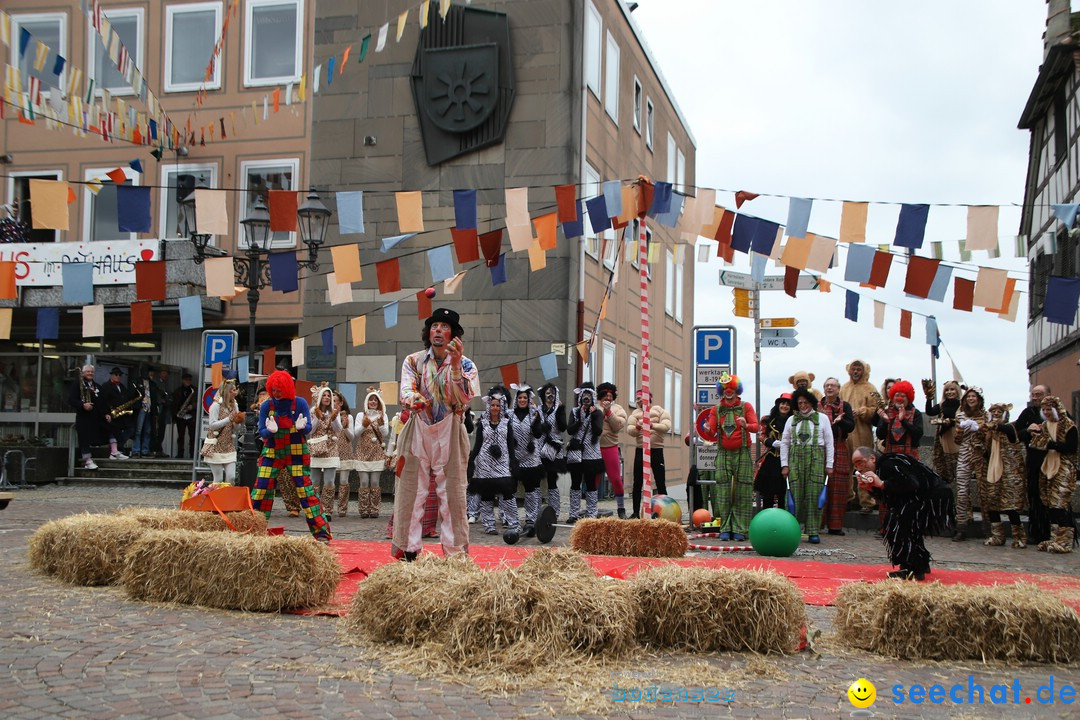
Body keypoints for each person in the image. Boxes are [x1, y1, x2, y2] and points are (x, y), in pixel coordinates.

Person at [393, 307, 478, 560]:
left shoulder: (467, 364)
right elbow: (405, 391)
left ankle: (454, 556)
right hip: (418, 425)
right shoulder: (413, 360)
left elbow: (464, 397)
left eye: (444, 326)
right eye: (434, 326)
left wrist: (454, 367)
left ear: (454, 334)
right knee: (411, 491)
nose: (438, 330)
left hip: (450, 427)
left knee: (452, 493)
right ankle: (408, 552)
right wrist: (415, 399)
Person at [251, 370, 331, 541]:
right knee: (261, 489)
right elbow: (262, 431)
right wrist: (269, 431)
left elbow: (309, 428)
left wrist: (304, 427)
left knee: (305, 491)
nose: (276, 394)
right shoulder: (267, 405)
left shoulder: (299, 403)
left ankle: (321, 532)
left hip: (296, 453)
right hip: (272, 451)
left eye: (279, 390)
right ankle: (254, 529)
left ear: (286, 389)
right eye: (273, 390)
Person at [853, 447, 942, 580]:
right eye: (855, 465)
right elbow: (888, 497)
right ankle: (921, 564)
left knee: (898, 525)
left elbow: (911, 484)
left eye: (861, 462)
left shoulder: (889, 463)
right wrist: (870, 488)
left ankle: (912, 569)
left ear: (872, 458)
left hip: (929, 497)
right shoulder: (880, 468)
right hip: (920, 498)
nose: (859, 468)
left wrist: (882, 484)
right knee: (901, 521)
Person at [699, 373, 759, 541]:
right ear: (722, 390)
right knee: (723, 492)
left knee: (743, 490)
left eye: (732, 388)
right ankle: (725, 527)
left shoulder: (746, 407)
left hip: (743, 453)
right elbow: (711, 432)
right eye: (726, 389)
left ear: (737, 390)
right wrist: (706, 429)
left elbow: (756, 427)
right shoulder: (716, 409)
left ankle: (740, 528)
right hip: (723, 454)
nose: (729, 391)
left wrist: (746, 425)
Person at [780, 388, 834, 544]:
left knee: (814, 495)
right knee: (794, 495)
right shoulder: (791, 420)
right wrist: (784, 465)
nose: (803, 405)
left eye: (806, 402)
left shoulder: (822, 419)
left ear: (811, 402)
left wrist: (829, 464)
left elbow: (830, 443)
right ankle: (792, 530)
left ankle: (812, 531)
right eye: (800, 402)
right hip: (795, 459)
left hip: (816, 458)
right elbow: (785, 443)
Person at [1031, 395, 1077, 553]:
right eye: (1043, 410)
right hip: (1048, 467)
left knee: (1059, 504)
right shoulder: (1044, 425)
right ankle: (1055, 538)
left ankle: (1065, 541)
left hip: (1064, 467)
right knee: (1050, 505)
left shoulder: (1068, 425)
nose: (1046, 412)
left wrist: (1050, 444)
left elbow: (1071, 447)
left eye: (1049, 409)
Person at [469, 386, 517, 536]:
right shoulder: (482, 423)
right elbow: (478, 443)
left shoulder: (506, 423)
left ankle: (513, 523)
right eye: (492, 405)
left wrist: (513, 460)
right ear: (488, 406)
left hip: (502, 462)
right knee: (486, 494)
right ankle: (489, 524)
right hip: (485, 463)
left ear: (501, 406)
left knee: (508, 492)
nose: (495, 408)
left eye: (497, 405)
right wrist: (471, 459)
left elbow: (510, 443)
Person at [981, 402, 1027, 548]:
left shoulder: (1010, 429)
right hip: (993, 470)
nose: (995, 415)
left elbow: (1006, 429)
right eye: (993, 412)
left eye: (999, 413)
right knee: (992, 503)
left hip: (1010, 472)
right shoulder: (989, 435)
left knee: (1011, 505)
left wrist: (993, 425)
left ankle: (1019, 537)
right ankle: (997, 536)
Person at [1013, 384, 1053, 544]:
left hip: (1053, 461)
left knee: (1054, 499)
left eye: (1039, 394)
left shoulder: (1058, 411)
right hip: (1034, 462)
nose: (1035, 397)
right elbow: (1016, 434)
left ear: (1048, 395)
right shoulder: (1027, 413)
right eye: (1033, 394)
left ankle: (1058, 534)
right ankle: (1037, 533)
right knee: (1035, 497)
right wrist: (1027, 431)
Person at [840, 359, 879, 513]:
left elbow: (877, 411)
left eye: (858, 369)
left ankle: (867, 501)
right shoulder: (844, 388)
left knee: (865, 466)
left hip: (863, 433)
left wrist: (863, 411)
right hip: (847, 435)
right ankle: (850, 499)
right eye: (853, 369)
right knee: (847, 467)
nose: (856, 372)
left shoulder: (870, 388)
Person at [951, 386, 988, 542]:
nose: (971, 399)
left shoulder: (986, 415)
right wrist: (960, 428)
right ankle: (961, 526)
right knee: (961, 489)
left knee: (984, 490)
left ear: (979, 399)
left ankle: (988, 527)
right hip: (965, 452)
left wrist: (978, 428)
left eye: (974, 396)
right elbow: (957, 440)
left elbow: (989, 434)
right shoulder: (961, 415)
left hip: (981, 454)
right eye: (968, 397)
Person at [627, 389, 671, 519]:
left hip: (656, 449)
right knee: (637, 482)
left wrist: (652, 425)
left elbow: (666, 426)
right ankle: (635, 512)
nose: (639, 400)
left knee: (660, 480)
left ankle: (666, 511)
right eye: (637, 398)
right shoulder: (635, 414)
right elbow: (630, 430)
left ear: (649, 397)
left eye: (641, 397)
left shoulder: (659, 410)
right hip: (641, 449)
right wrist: (637, 428)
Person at [565, 381, 605, 522]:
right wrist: (581, 420)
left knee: (591, 483)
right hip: (577, 452)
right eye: (584, 394)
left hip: (592, 453)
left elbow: (598, 430)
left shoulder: (598, 412)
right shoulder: (575, 412)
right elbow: (569, 430)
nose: (586, 397)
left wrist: (593, 416)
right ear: (580, 396)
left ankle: (591, 513)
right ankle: (574, 513)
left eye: (589, 394)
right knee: (575, 483)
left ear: (592, 397)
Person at [819, 377, 855, 535]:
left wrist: (839, 422)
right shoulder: (817, 406)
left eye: (833, 385)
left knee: (838, 488)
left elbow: (851, 426)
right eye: (827, 385)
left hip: (838, 446)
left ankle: (835, 526)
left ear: (839, 389)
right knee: (819, 485)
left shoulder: (845, 406)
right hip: (820, 448)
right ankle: (816, 525)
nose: (830, 388)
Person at [509, 384, 545, 536]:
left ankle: (531, 520)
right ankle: (512, 521)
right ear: (516, 399)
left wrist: (536, 420)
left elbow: (538, 434)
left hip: (531, 458)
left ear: (529, 399)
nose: (522, 400)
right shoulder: (509, 414)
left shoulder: (535, 413)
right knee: (509, 490)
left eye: (525, 397)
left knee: (531, 490)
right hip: (514, 457)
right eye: (520, 398)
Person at [309, 384, 343, 521]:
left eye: (329, 395)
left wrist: (334, 418)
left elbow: (339, 429)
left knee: (329, 481)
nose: (327, 398)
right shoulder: (313, 410)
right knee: (314, 481)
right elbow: (310, 431)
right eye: (324, 395)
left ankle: (327, 511)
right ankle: (314, 509)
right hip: (317, 448)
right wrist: (317, 417)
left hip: (331, 448)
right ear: (319, 397)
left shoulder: (334, 411)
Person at [753, 392, 793, 511]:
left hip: (787, 460)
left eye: (787, 404)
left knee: (783, 493)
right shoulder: (767, 420)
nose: (784, 406)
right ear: (778, 405)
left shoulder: (794, 421)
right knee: (768, 493)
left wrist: (787, 445)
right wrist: (771, 443)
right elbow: (761, 435)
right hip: (771, 459)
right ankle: (766, 516)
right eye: (782, 403)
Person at [353, 388, 388, 518]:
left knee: (374, 482)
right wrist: (363, 425)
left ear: (379, 402)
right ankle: (363, 509)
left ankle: (374, 509)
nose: (373, 402)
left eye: (375, 400)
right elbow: (356, 433)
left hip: (376, 452)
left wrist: (381, 423)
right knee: (363, 482)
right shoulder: (360, 415)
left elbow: (385, 433)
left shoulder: (382, 415)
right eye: (371, 400)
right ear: (367, 402)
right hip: (363, 451)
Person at [202, 378, 244, 485]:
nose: (236, 392)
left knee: (231, 477)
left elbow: (236, 428)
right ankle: (216, 499)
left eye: (235, 390)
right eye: (233, 390)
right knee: (218, 479)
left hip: (228, 446)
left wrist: (238, 421)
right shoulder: (215, 406)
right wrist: (228, 419)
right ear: (226, 392)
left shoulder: (235, 405)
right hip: (215, 446)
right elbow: (212, 425)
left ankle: (228, 499)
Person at [596, 382, 628, 518]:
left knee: (615, 478)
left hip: (610, 447)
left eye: (610, 396)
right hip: (595, 448)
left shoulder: (619, 409)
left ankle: (621, 509)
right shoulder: (595, 407)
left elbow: (617, 426)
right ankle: (592, 507)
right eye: (605, 396)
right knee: (594, 479)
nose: (608, 398)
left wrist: (609, 412)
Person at [535, 382, 566, 521]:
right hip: (539, 448)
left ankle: (555, 511)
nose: (550, 395)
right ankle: (535, 511)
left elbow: (563, 427)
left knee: (552, 480)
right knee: (537, 480)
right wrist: (541, 426)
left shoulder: (558, 409)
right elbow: (534, 429)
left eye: (552, 392)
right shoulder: (539, 409)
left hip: (553, 449)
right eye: (547, 392)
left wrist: (560, 411)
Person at [924, 379, 962, 490]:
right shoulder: (942, 405)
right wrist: (929, 398)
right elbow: (930, 411)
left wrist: (952, 421)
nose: (949, 392)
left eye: (952, 389)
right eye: (947, 390)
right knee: (943, 465)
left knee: (957, 466)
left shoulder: (962, 405)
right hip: (943, 438)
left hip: (956, 437)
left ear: (957, 391)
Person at [97, 367, 138, 459]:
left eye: (120, 375)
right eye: (116, 374)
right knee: (114, 431)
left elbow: (126, 398)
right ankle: (116, 450)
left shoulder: (122, 386)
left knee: (130, 429)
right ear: (111, 375)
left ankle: (117, 448)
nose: (118, 376)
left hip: (122, 414)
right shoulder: (106, 386)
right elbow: (103, 401)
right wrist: (107, 412)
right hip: (113, 414)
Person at [875, 380, 923, 458]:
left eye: (903, 396)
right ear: (893, 397)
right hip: (890, 455)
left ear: (908, 398)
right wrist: (885, 421)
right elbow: (880, 435)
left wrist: (903, 421)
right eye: (897, 395)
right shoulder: (887, 412)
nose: (899, 398)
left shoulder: (916, 413)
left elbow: (918, 434)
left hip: (910, 456)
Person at [67, 364, 102, 470]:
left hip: (94, 417)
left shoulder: (97, 386)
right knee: (84, 439)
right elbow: (71, 400)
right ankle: (87, 460)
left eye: (92, 372)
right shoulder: (77, 384)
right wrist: (82, 405)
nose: (90, 373)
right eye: (88, 371)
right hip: (83, 416)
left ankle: (114, 452)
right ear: (83, 373)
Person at [131, 367, 156, 458]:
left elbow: (155, 397)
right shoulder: (136, 382)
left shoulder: (152, 384)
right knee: (138, 430)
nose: (150, 375)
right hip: (140, 408)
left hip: (149, 409)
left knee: (148, 431)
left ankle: (145, 450)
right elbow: (132, 395)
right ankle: (136, 450)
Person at [173, 372, 198, 459]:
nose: (188, 381)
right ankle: (180, 454)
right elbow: (174, 403)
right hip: (181, 416)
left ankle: (192, 454)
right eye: (186, 380)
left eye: (190, 380)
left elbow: (200, 401)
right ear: (182, 380)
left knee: (193, 436)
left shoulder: (195, 390)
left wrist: (193, 406)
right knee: (180, 437)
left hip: (191, 416)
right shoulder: (178, 391)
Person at [150, 367, 171, 458]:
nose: (165, 375)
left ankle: (159, 449)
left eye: (166, 373)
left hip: (165, 410)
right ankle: (154, 450)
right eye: (163, 372)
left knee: (162, 431)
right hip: (158, 410)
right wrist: (162, 401)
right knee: (156, 431)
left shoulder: (166, 384)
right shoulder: (155, 383)